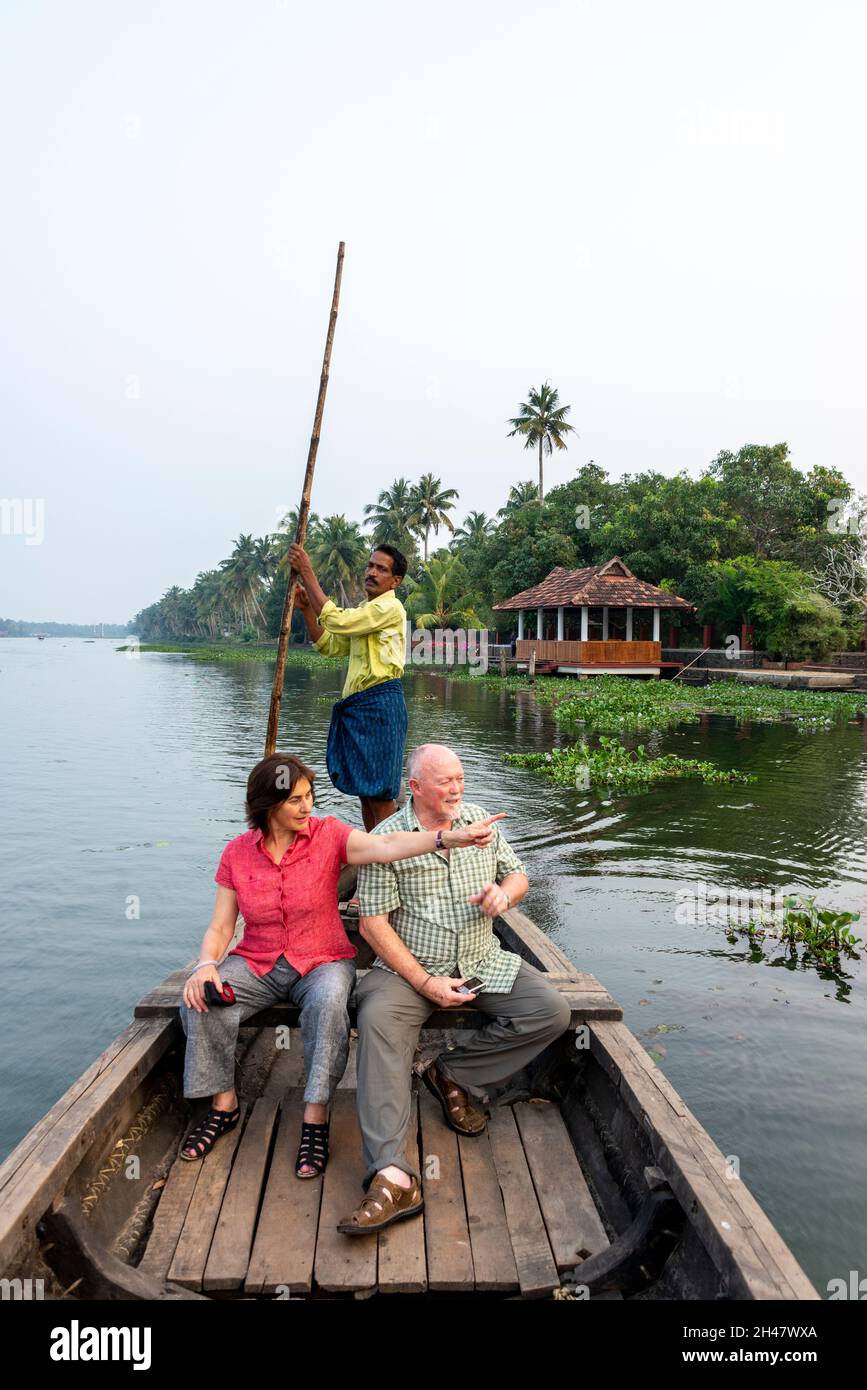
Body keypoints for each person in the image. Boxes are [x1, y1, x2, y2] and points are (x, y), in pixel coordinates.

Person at [179, 752, 502, 1179]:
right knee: (200, 1000)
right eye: (295, 800)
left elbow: (385, 846)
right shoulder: (238, 854)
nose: (307, 807)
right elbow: (222, 926)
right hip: (257, 961)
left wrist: (444, 840)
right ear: (266, 805)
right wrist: (205, 965)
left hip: (322, 959)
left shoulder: (328, 835)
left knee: (331, 1000)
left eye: (309, 796)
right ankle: (224, 1104)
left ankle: (315, 1117)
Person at [337, 743, 571, 1235]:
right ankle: (392, 1174)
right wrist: (424, 981)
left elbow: (518, 874)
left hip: (481, 960)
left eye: (460, 778)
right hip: (408, 970)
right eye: (445, 781)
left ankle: (452, 1074)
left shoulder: (480, 819)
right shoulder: (387, 838)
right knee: (377, 1022)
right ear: (415, 787)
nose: (457, 789)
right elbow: (373, 923)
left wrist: (503, 894)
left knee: (551, 1011)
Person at [288, 542, 408, 835]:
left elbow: (338, 620)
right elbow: (330, 644)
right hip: (360, 706)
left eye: (381, 569)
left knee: (379, 793)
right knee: (366, 791)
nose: (372, 572)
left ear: (395, 581)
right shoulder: (367, 611)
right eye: (370, 566)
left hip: (380, 705)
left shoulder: (389, 607)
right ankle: (375, 850)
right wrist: (305, 608)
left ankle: (388, 861)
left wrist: (307, 571)